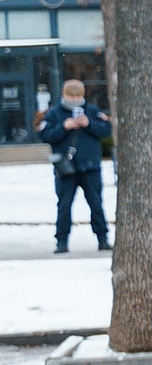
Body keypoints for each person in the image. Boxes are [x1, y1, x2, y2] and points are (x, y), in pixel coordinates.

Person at [37, 78, 110, 253]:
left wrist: (89, 124)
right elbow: (45, 135)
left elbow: (105, 130)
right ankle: (62, 241)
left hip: (90, 166)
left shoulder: (92, 111)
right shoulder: (54, 114)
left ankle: (102, 238)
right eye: (71, 95)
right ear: (64, 94)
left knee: (96, 204)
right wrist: (64, 127)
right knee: (64, 205)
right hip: (65, 168)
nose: (75, 99)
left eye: (78, 95)